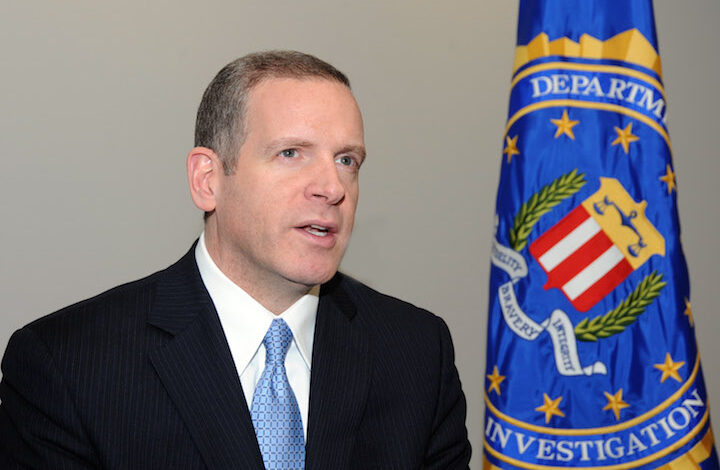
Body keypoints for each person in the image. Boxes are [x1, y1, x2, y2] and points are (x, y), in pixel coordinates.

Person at [0, 51, 471, 469]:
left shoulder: (417, 353)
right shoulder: (68, 365)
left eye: (347, 160)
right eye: (291, 153)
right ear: (207, 180)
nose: (332, 188)